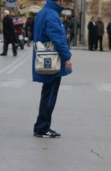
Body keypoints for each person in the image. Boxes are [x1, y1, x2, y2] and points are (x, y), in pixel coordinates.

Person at [32, 0, 72, 138]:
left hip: (45, 59)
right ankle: (42, 127)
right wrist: (67, 57)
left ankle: (41, 125)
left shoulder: (44, 12)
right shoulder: (51, 14)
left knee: (47, 93)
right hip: (51, 61)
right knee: (49, 95)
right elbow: (57, 37)